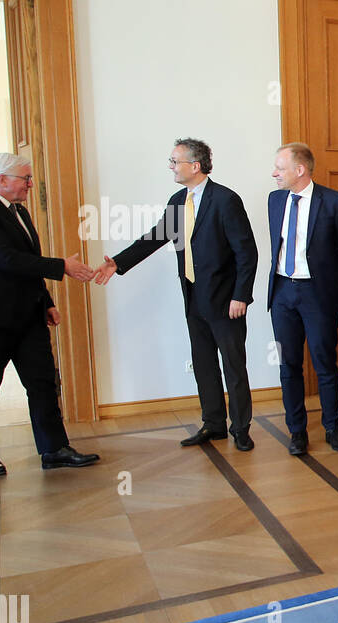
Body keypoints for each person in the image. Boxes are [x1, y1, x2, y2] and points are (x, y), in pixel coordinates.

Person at [96, 138, 259, 451]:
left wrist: (242, 296)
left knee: (233, 366)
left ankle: (240, 428)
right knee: (203, 363)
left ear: (194, 166)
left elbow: (246, 252)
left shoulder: (225, 200)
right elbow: (156, 236)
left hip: (226, 301)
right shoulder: (176, 200)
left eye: (175, 161)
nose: (170, 166)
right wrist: (118, 262)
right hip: (194, 297)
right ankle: (214, 425)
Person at [0, 153, 100, 474]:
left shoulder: (17, 210)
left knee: (43, 382)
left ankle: (54, 448)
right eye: (26, 178)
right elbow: (7, 259)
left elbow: (27, 259)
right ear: (1, 180)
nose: (31, 185)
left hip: (28, 313)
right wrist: (62, 266)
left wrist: (46, 301)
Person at [267, 142, 338, 457]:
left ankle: (332, 428)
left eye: (280, 167)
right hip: (281, 293)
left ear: (300, 170)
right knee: (287, 364)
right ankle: (297, 432)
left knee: (324, 363)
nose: (274, 173)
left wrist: (327, 281)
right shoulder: (274, 200)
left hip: (317, 295)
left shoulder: (333, 202)